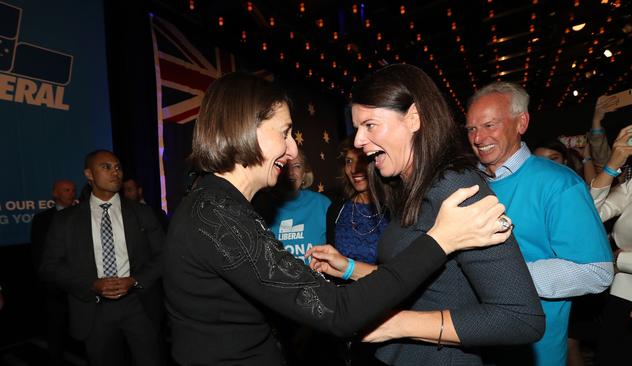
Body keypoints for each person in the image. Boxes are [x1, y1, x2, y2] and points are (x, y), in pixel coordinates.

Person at [162, 72, 517, 366]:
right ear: (245, 128)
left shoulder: (220, 206)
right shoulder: (216, 216)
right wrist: (442, 240)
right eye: (284, 132)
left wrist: (349, 270)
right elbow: (337, 311)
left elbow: (517, 316)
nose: (293, 149)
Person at [308, 64, 544, 366]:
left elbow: (521, 318)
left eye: (369, 125)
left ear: (414, 118)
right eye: (357, 128)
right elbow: (422, 280)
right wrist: (348, 268)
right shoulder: (408, 187)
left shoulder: (455, 186)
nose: (357, 141)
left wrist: (396, 324)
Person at [464, 81, 614, 366]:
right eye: (471, 128)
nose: (478, 137)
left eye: (489, 125)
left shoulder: (559, 183)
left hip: (532, 350)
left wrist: (500, 277)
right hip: (473, 345)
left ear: (522, 122)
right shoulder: (466, 182)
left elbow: (597, 271)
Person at [40, 150, 165, 366]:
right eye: (105, 167)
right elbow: (49, 267)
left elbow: (165, 255)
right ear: (89, 174)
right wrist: (91, 285)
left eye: (117, 167)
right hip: (93, 310)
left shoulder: (142, 213)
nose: (114, 172)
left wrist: (135, 280)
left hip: (139, 305)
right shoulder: (65, 220)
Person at [590, 123, 632, 365]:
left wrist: (621, 259)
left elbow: (621, 258)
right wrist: (612, 165)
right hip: (622, 297)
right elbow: (586, 216)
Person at [31, 179, 77, 366]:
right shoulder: (42, 220)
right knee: (56, 329)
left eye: (73, 190)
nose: (71, 193)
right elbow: (38, 254)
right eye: (66, 190)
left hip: (81, 284)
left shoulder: (84, 215)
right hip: (55, 286)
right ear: (55, 194)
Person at [256, 149, 331, 264]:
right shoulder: (260, 206)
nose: (290, 172)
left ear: (304, 172)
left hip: (316, 279)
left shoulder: (322, 204)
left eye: (297, 166)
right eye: (285, 166)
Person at [326, 138, 388, 264]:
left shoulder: (396, 208)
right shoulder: (337, 209)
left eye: (362, 160)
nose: (354, 169)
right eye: (349, 161)